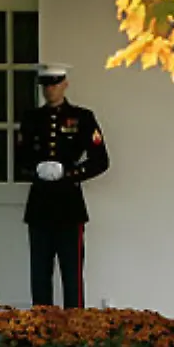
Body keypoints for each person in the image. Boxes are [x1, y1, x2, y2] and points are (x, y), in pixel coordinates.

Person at [15, 62, 110, 308]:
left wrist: (68, 173)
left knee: (73, 276)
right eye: (45, 85)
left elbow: (100, 160)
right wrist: (35, 169)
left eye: (55, 84)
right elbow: (19, 159)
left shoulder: (82, 118)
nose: (50, 90)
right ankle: (41, 333)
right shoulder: (31, 119)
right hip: (39, 205)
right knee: (39, 276)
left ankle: (74, 333)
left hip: (69, 205)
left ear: (65, 84)